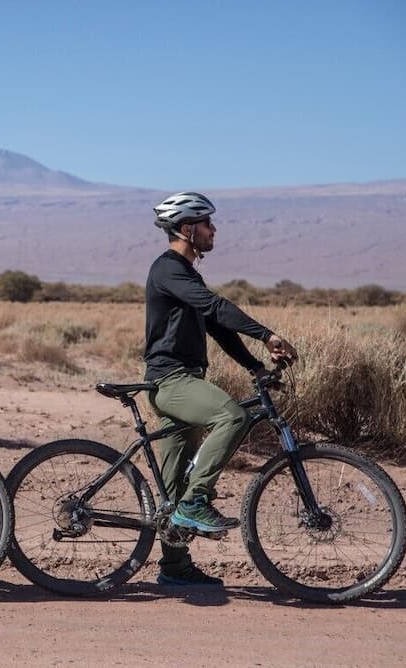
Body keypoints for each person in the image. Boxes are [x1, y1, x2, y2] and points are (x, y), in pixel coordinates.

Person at [144, 192, 297, 586]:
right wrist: (266, 334)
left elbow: (216, 327)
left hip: (184, 379)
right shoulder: (169, 270)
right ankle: (197, 503)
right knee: (231, 415)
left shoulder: (187, 274)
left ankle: (174, 568)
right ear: (186, 229)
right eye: (207, 223)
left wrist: (255, 366)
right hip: (171, 381)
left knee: (173, 484)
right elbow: (215, 307)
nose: (214, 230)